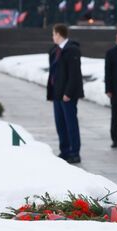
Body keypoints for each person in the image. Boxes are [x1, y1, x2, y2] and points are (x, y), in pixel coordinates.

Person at [46, 23, 84, 164]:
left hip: (68, 94)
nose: (52, 37)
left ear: (59, 34)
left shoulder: (72, 50)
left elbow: (74, 74)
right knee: (60, 123)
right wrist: (51, 93)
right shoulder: (54, 50)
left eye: (53, 34)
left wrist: (68, 92)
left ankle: (75, 152)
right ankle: (65, 150)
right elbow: (53, 74)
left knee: (70, 124)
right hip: (57, 93)